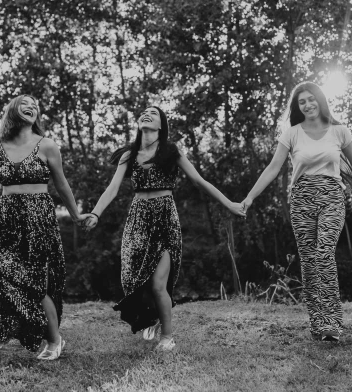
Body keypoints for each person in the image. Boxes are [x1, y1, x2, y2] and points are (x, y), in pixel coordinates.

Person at [81, 106, 245, 351]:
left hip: (165, 218)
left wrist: (229, 203)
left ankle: (167, 337)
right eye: (144, 112)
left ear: (161, 125)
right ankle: (152, 316)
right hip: (138, 221)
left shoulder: (170, 151)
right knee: (132, 282)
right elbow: (112, 189)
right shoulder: (129, 155)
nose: (147, 114)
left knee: (159, 283)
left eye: (154, 113)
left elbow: (199, 181)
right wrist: (96, 212)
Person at [241, 82, 352, 342]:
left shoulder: (339, 131)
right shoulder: (292, 134)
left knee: (324, 254)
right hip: (302, 198)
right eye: (302, 102)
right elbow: (273, 168)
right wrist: (251, 196)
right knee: (308, 261)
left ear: (320, 100)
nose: (308, 105)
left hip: (331, 196)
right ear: (298, 108)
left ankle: (332, 323)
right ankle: (318, 323)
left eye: (311, 99)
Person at [0, 94, 85, 360]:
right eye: (26, 104)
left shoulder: (47, 145)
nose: (32, 108)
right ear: (13, 111)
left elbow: (61, 184)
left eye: (36, 106)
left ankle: (54, 341)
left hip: (38, 216)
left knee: (37, 281)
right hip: (6, 216)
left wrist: (76, 215)